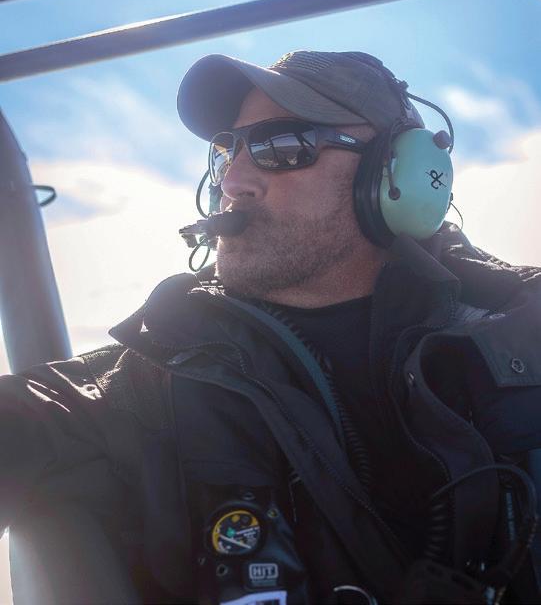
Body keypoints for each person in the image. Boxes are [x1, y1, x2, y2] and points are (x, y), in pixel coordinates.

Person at [1, 50, 541, 605]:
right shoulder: (136, 386)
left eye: (281, 146)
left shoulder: (526, 328)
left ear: (395, 173)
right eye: (226, 151)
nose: (233, 180)